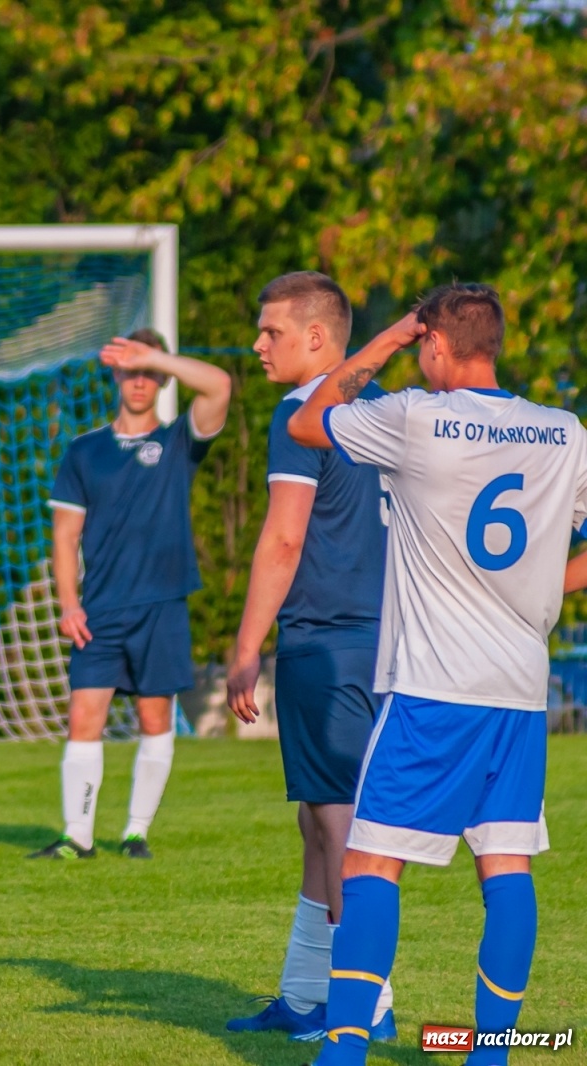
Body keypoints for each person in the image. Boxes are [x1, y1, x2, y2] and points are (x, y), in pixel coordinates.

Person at [287, 283, 586, 1066]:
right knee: (506, 865)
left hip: (433, 686)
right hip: (520, 690)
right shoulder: (563, 430)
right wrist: (549, 581)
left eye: (423, 346)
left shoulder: (415, 414)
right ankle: (492, 1055)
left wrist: (380, 342)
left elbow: (306, 420)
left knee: (370, 860)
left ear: (438, 346)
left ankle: (344, 1050)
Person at [223, 272, 395, 1040]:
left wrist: (245, 645)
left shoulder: (301, 413)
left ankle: (368, 1011)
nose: (258, 345)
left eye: (272, 333)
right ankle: (301, 993)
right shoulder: (393, 410)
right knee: (316, 817)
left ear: (318, 338)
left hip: (327, 640)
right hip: (388, 640)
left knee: (339, 823)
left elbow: (286, 538)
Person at [34, 329, 232, 860]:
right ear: (116, 375)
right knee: (84, 718)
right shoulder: (85, 451)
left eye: (149, 372)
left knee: (154, 719)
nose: (139, 380)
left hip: (161, 606)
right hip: (98, 610)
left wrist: (156, 355)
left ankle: (135, 833)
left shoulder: (177, 442)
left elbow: (219, 387)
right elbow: (65, 534)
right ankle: (76, 837)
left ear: (163, 376)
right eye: (130, 369)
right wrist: (68, 603)